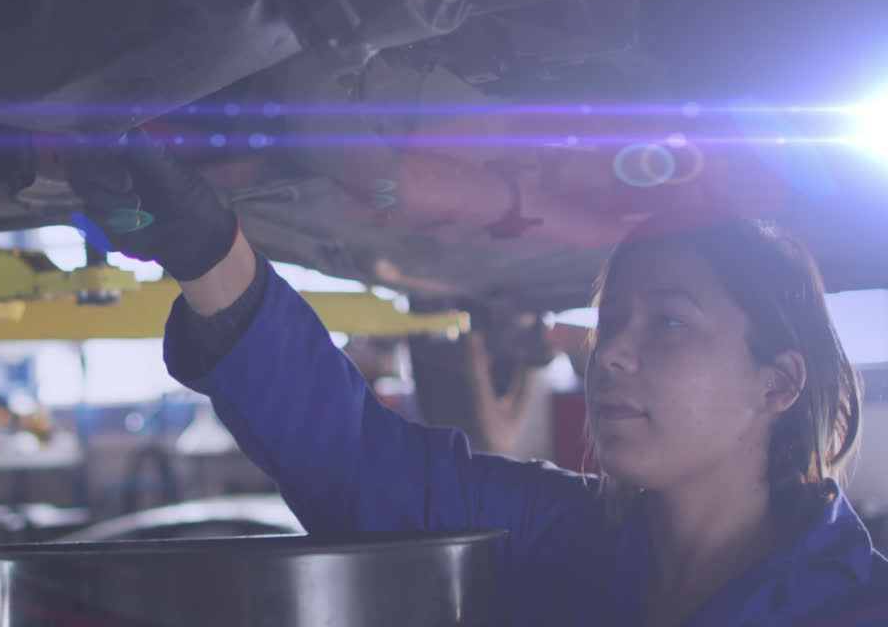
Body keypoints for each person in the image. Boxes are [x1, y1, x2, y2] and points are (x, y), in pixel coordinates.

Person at [70, 147, 888, 627]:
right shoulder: (557, 532)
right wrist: (211, 252)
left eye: (667, 323)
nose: (611, 356)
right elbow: (356, 463)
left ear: (777, 383)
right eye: (613, 323)